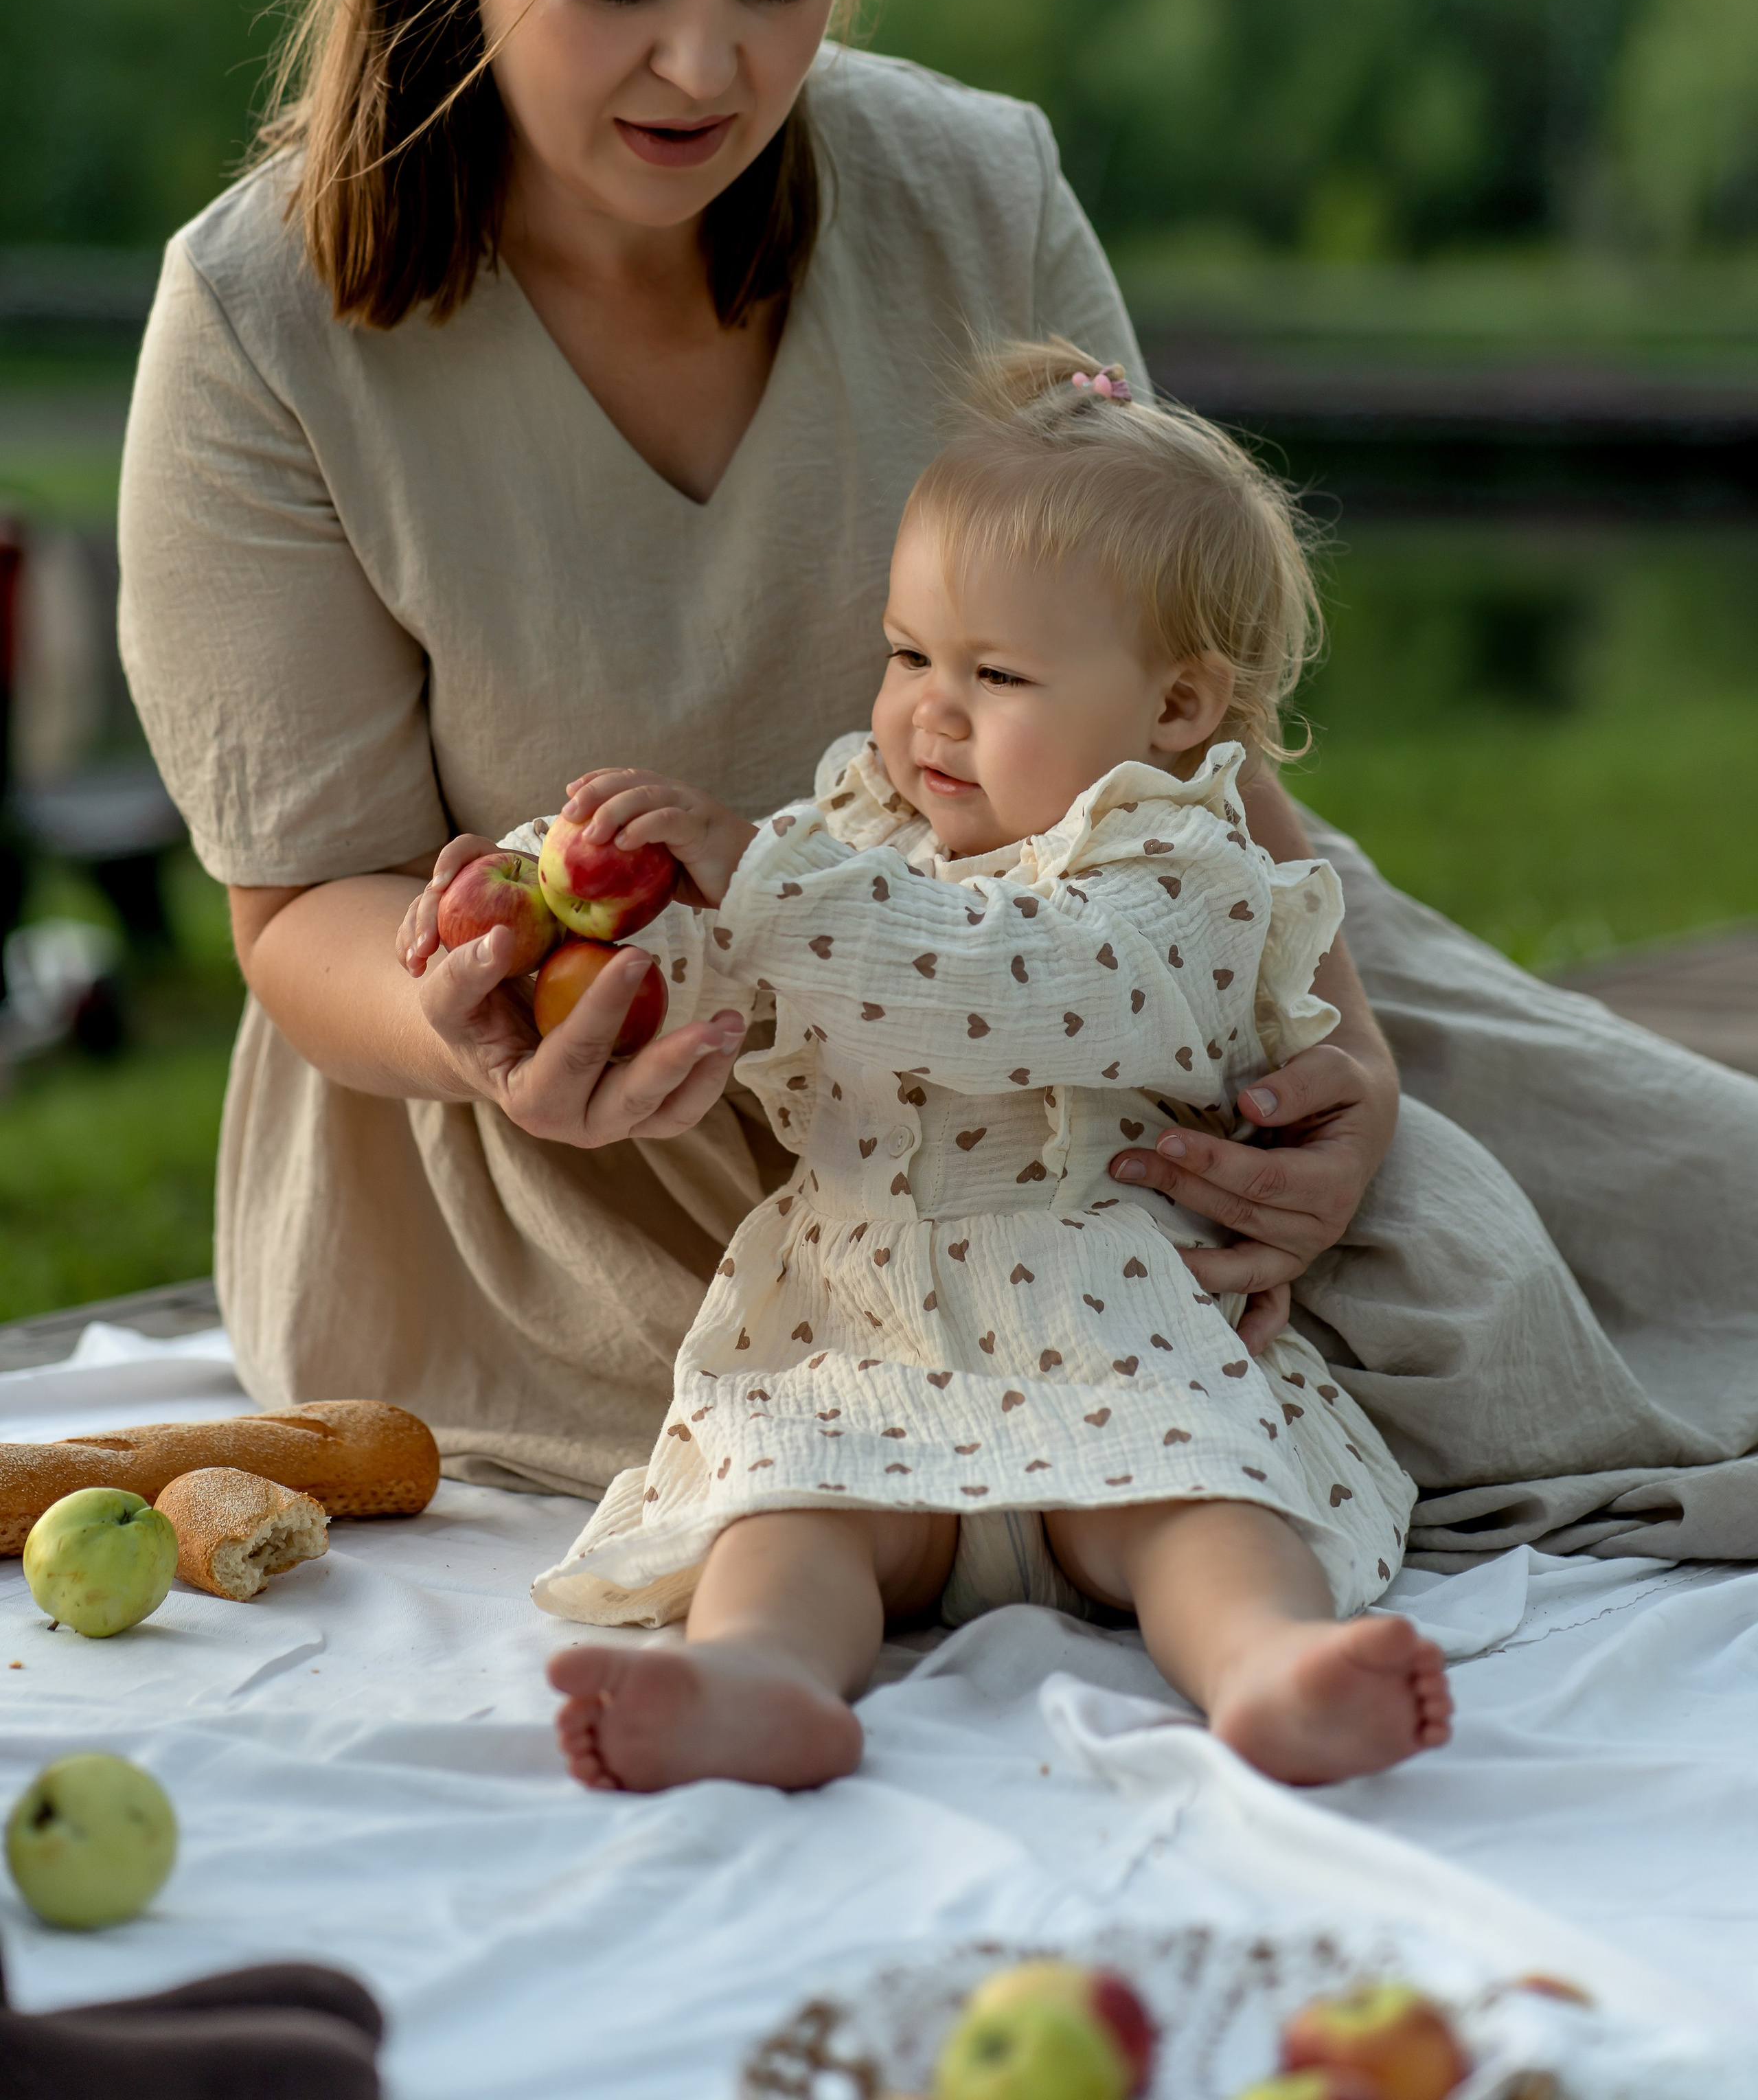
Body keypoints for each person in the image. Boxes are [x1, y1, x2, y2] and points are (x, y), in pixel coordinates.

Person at [119, 0, 1758, 1568]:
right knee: (1050, 1390)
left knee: (1680, 1223)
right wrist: (482, 1034)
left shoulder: (978, 190)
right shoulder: (260, 319)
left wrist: (1343, 1048)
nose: (705, 68)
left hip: (1114, 978)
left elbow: (1189, 724)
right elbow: (302, 905)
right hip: (615, 1118)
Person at [409, 343, 1451, 1790]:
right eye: (908, 655)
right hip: (866, 1336)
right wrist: (575, 929)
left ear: (1174, 708)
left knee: (1204, 1508)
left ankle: (1271, 1666)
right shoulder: (853, 839)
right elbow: (746, 971)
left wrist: (765, 887)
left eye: (995, 674)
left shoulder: (1185, 880)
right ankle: (756, 1683)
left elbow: (1006, 983)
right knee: (784, 1507)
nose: (929, 711)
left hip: (1110, 1341)